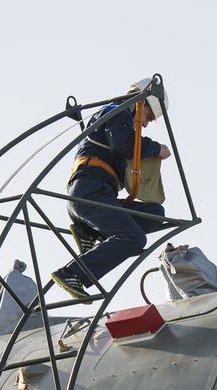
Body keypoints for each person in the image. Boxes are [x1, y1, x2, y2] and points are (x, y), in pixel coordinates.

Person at [51, 80, 172, 300]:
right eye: (149, 116)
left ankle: (89, 231)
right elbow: (123, 145)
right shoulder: (117, 113)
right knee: (133, 238)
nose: (145, 123)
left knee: (155, 214)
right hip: (90, 193)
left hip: (96, 194)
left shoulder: (118, 117)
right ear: (141, 103)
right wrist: (155, 149)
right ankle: (73, 273)